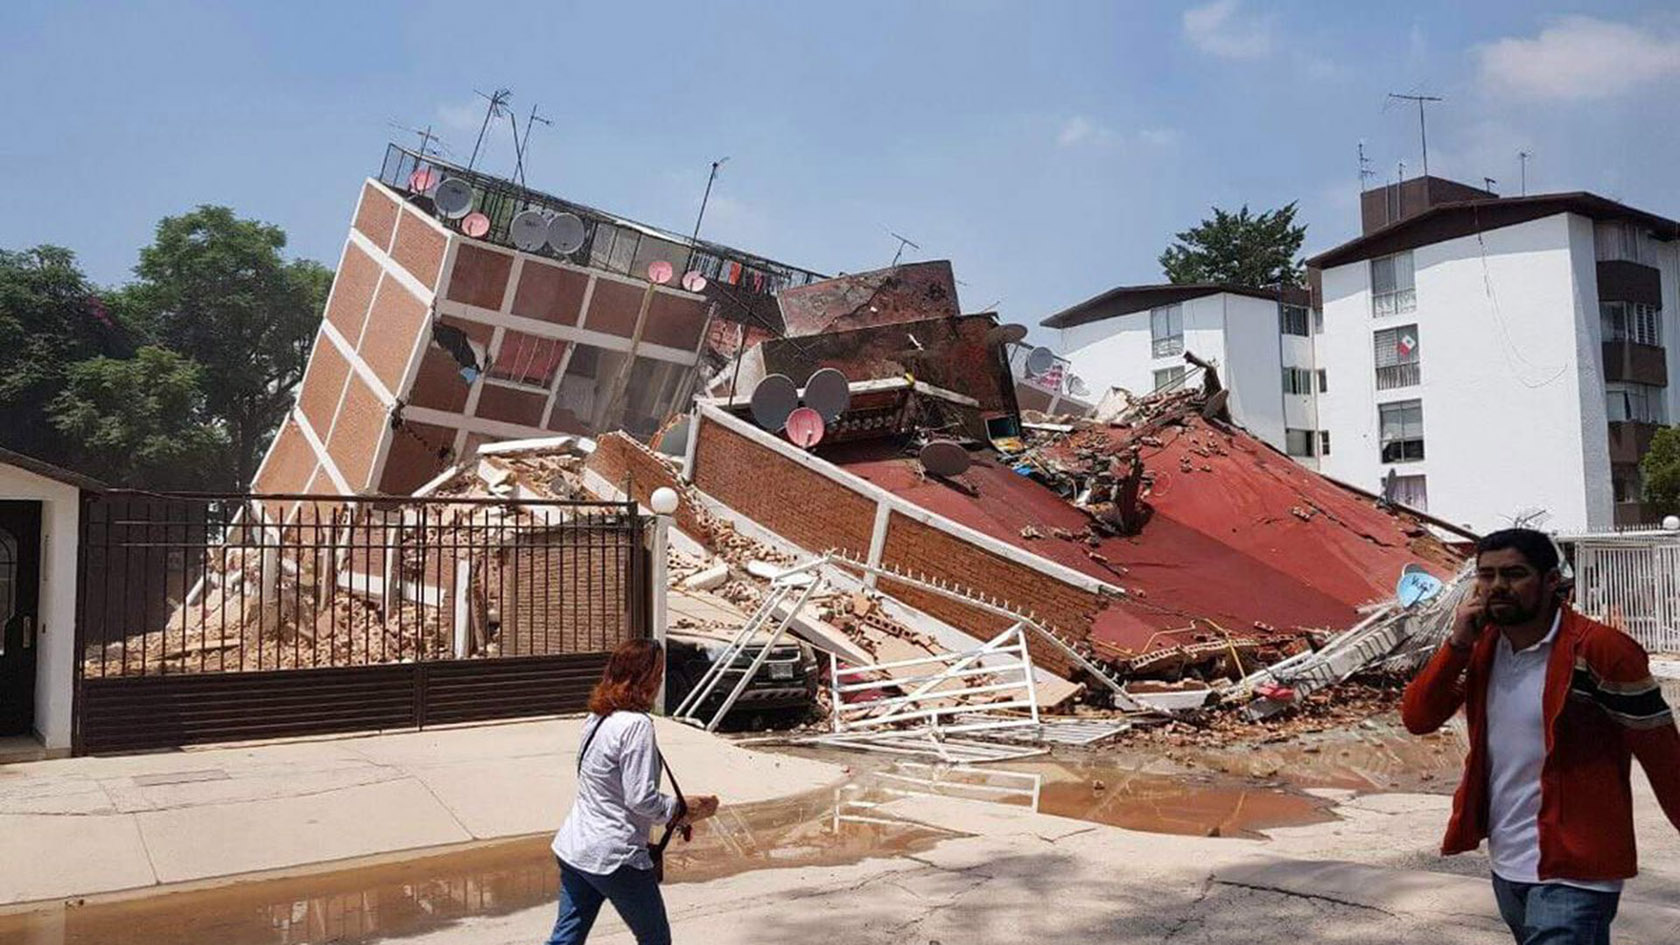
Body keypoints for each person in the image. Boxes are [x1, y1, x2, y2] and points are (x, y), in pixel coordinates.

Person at [1403, 528, 1680, 944]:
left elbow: (1664, 758)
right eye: (1487, 575)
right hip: (1508, 864)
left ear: (1552, 581)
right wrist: (1458, 643)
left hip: (1577, 869)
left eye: (1514, 574)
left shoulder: (1601, 651)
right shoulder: (1483, 649)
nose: (1498, 587)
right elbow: (1418, 717)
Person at [545, 639, 720, 945]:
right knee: (655, 939)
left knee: (565, 939)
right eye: (659, 672)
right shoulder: (636, 726)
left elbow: (602, 784)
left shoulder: (598, 718)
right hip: (614, 855)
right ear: (645, 679)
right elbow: (640, 799)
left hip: (576, 847)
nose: (662, 679)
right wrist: (682, 809)